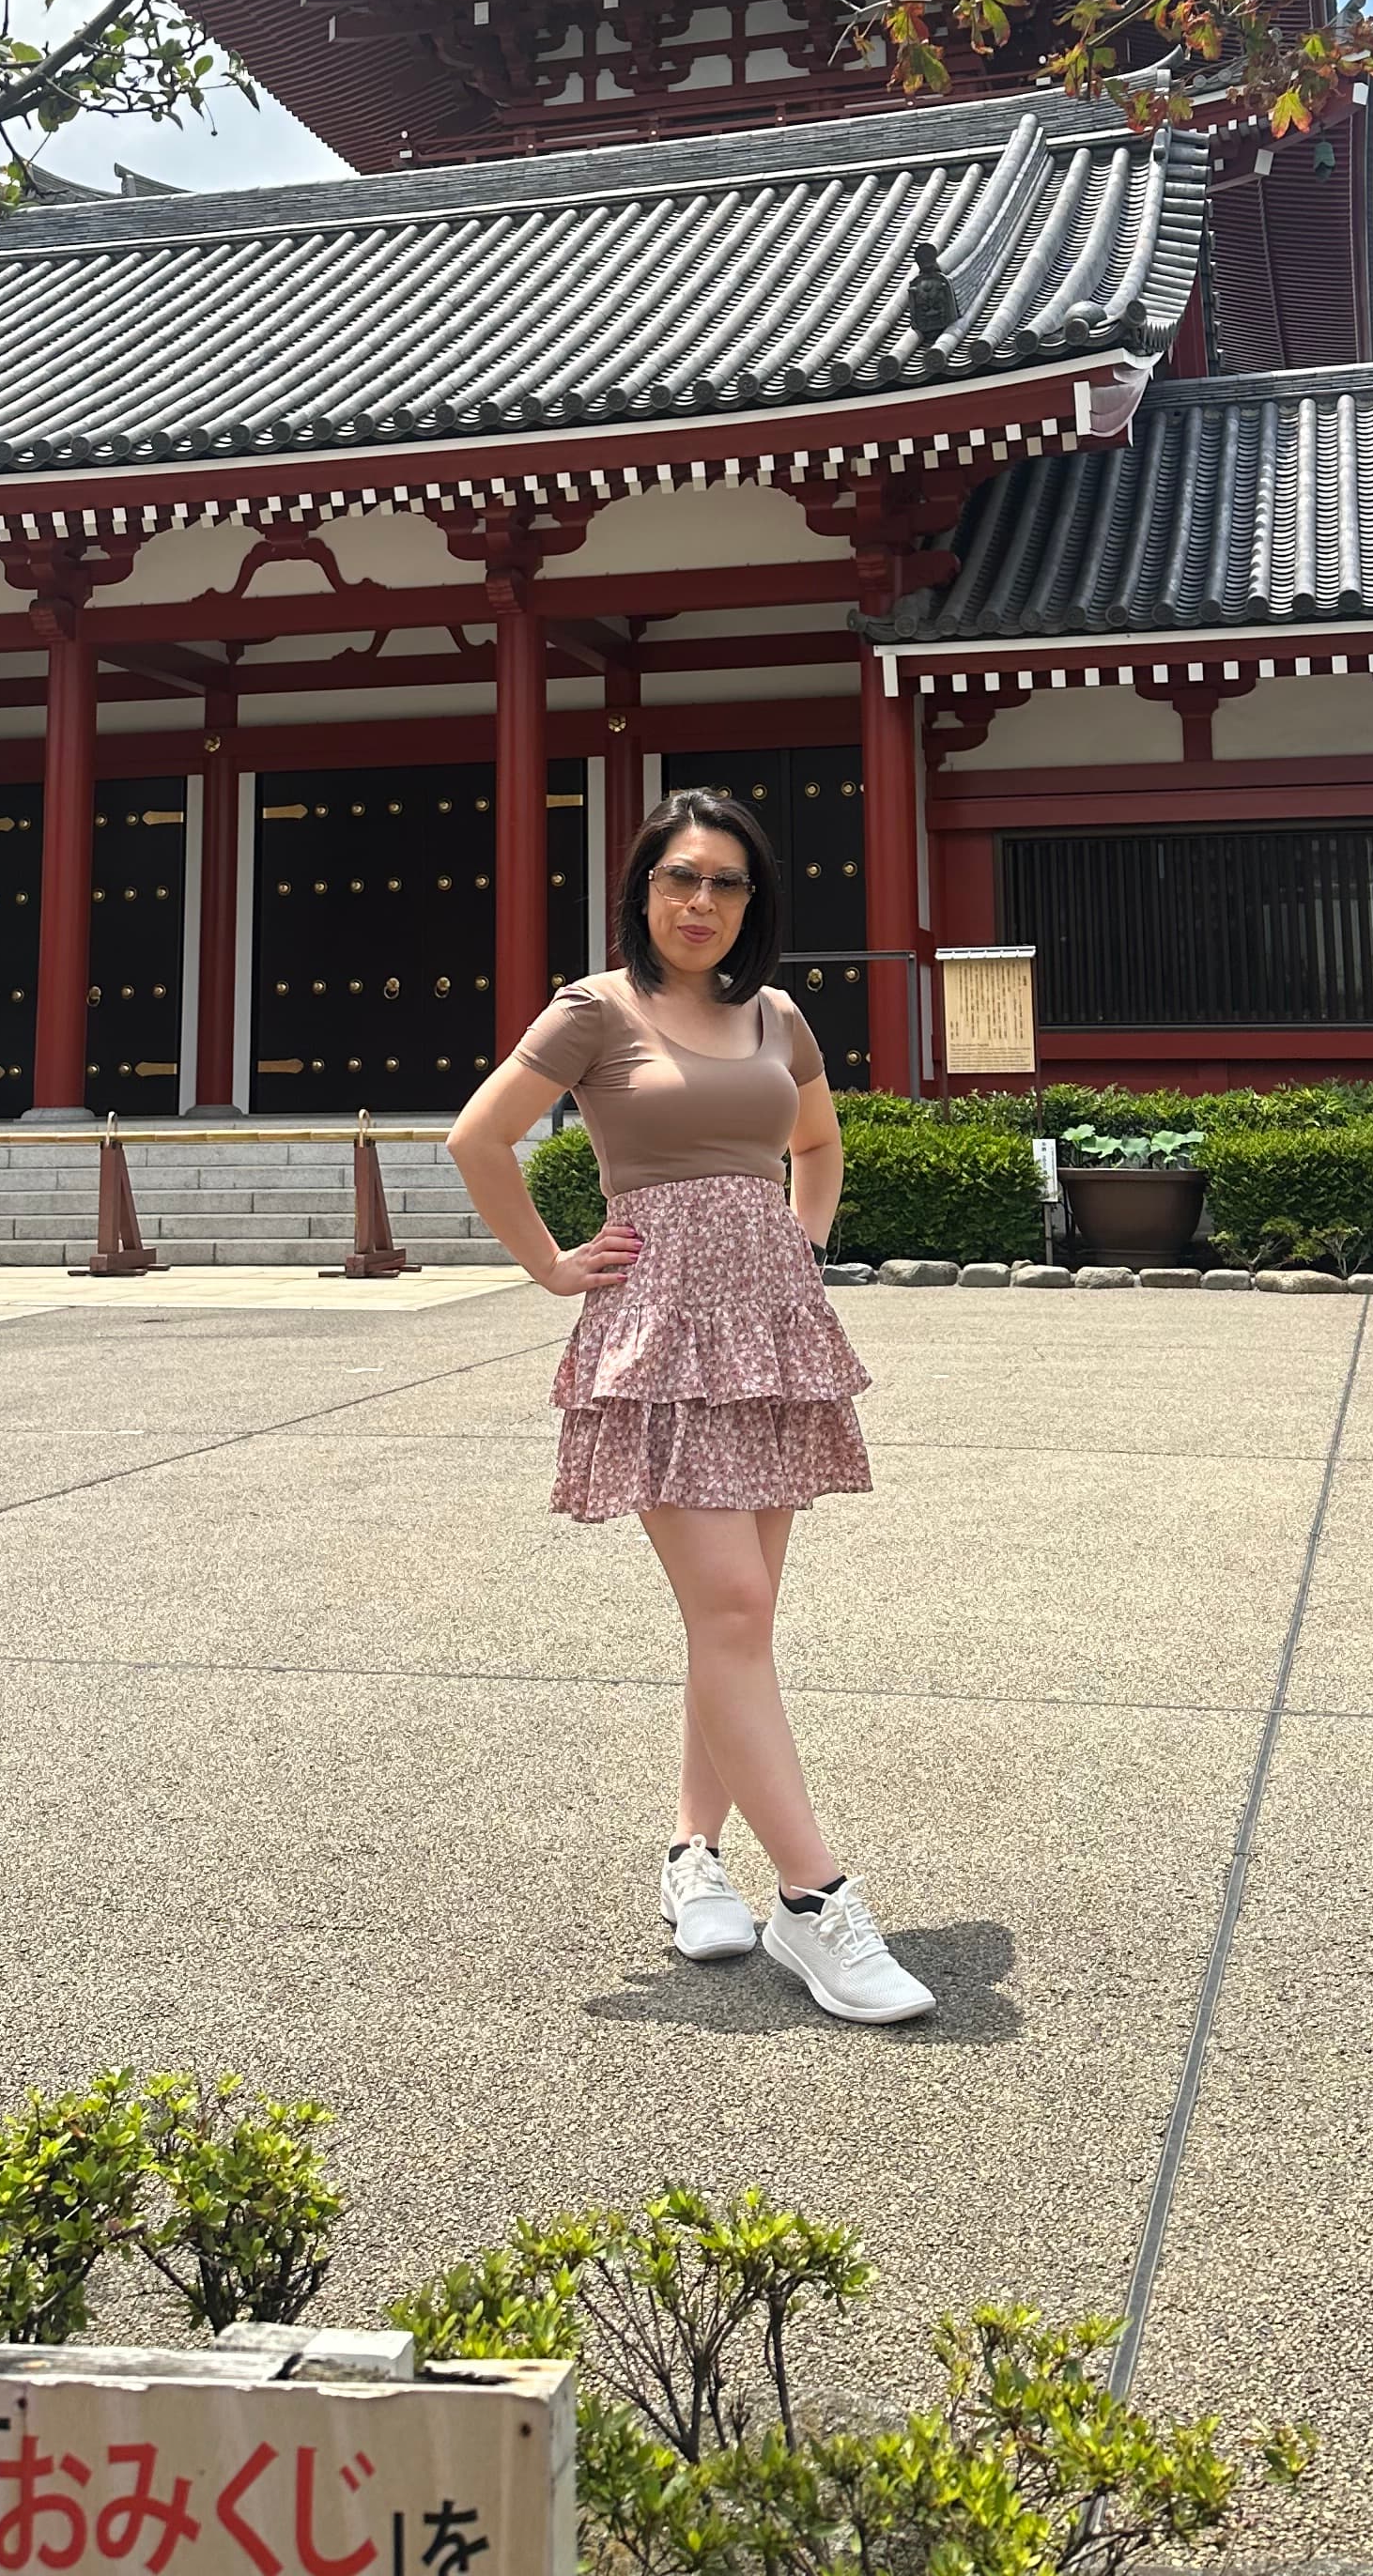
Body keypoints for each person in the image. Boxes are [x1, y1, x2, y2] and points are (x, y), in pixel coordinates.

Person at [448, 788, 935, 2025]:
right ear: (643, 890)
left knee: (741, 1624)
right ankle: (815, 1902)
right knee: (729, 1603)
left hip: (768, 1330)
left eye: (726, 882)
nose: (702, 901)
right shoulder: (596, 1012)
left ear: (750, 901)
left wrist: (799, 1247)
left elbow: (816, 1147)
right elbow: (477, 1139)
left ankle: (692, 1859)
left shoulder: (778, 1017)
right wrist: (554, 1265)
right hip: (658, 1330)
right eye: (681, 879)